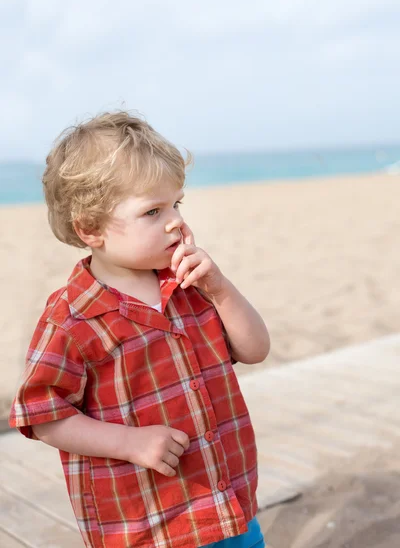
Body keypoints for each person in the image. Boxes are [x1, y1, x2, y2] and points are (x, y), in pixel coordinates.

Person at [9, 111, 270, 548]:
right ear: (90, 229)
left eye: (177, 204)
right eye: (152, 210)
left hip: (226, 505)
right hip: (146, 525)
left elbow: (255, 349)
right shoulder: (72, 319)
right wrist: (129, 442)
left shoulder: (190, 286)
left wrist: (221, 290)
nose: (175, 223)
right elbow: (43, 416)